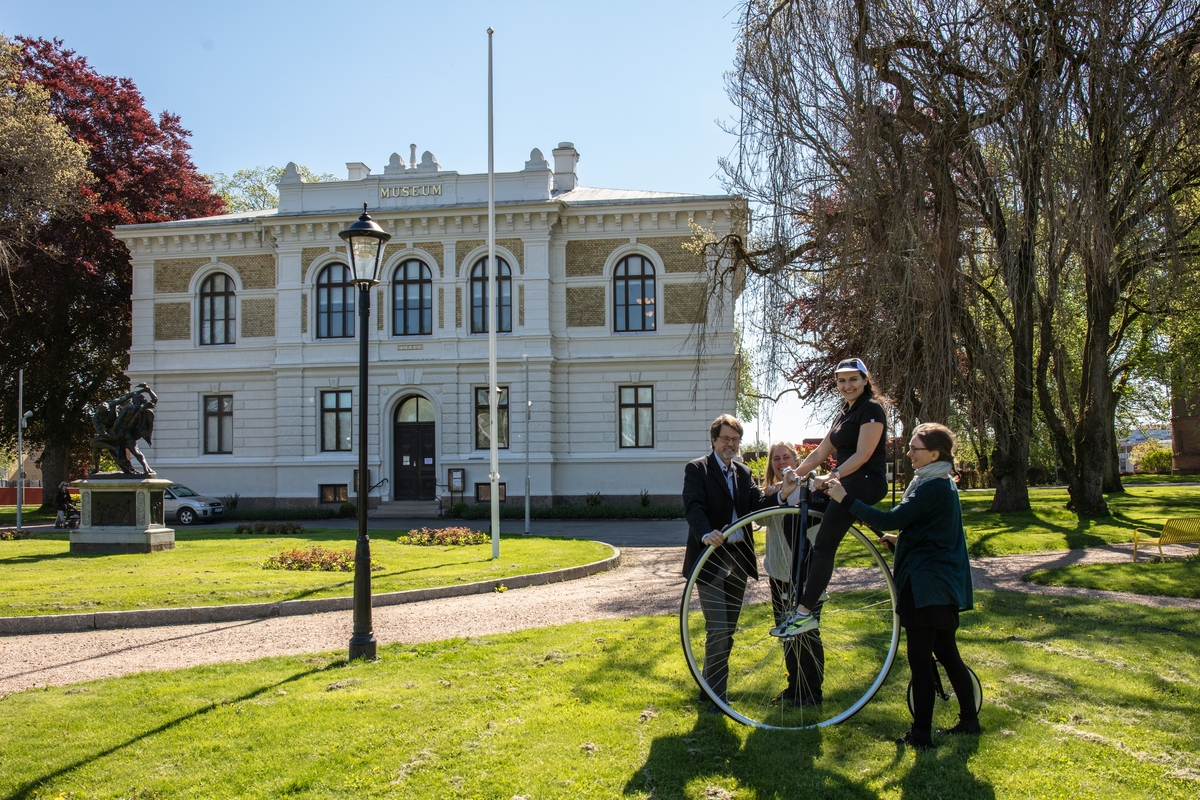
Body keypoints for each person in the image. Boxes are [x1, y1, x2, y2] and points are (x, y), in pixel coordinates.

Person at [825, 422, 978, 749]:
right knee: (947, 653)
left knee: (920, 660)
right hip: (940, 585)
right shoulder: (937, 482)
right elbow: (932, 529)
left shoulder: (933, 486)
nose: (908, 453)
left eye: (914, 448)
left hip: (928, 587)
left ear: (934, 454)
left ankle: (921, 735)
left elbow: (891, 518)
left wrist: (844, 498)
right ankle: (969, 721)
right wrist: (901, 539)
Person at [773, 357, 889, 638]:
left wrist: (832, 475)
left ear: (865, 380)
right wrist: (794, 475)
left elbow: (863, 455)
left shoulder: (872, 409)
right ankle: (814, 587)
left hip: (865, 482)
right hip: (844, 481)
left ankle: (804, 614)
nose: (847, 385)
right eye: (841, 381)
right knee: (793, 515)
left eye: (853, 379)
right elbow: (819, 452)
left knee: (825, 544)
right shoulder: (843, 414)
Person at [683, 414, 789, 713]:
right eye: (725, 439)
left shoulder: (743, 472)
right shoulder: (697, 469)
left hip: (738, 559)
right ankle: (717, 696)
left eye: (735, 439)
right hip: (710, 558)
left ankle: (709, 689)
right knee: (717, 628)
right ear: (713, 440)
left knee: (728, 629)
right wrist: (705, 533)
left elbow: (757, 505)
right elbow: (693, 506)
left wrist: (783, 492)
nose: (731, 444)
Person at [760, 442, 825, 706]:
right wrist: (779, 492)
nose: (781, 462)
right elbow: (760, 520)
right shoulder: (769, 492)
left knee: (807, 633)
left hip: (807, 573)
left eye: (786, 457)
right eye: (776, 458)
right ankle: (795, 686)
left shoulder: (812, 489)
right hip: (778, 571)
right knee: (786, 633)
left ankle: (812, 692)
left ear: (797, 461)